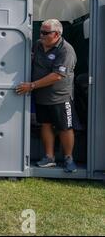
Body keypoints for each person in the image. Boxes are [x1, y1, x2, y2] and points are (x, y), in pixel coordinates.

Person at [16, 19, 78, 173]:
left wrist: (31, 86)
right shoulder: (38, 44)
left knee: (65, 127)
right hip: (42, 96)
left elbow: (57, 75)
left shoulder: (66, 50)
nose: (41, 35)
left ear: (56, 34)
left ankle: (69, 158)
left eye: (45, 32)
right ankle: (49, 157)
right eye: (41, 31)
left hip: (60, 96)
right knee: (45, 124)